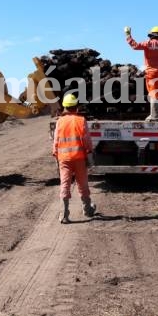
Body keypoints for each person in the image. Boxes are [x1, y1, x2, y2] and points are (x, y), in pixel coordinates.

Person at [52, 93, 96, 223]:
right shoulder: (81, 120)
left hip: (64, 159)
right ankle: (87, 210)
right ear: (76, 107)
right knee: (82, 184)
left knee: (65, 184)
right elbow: (86, 141)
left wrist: (56, 156)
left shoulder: (59, 122)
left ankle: (64, 214)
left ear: (64, 107)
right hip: (79, 158)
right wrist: (90, 154)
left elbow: (56, 142)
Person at [124, 25, 158, 121]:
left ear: (152, 35)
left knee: (154, 93)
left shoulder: (148, 43)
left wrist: (128, 36)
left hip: (152, 74)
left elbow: (135, 46)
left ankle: (154, 116)